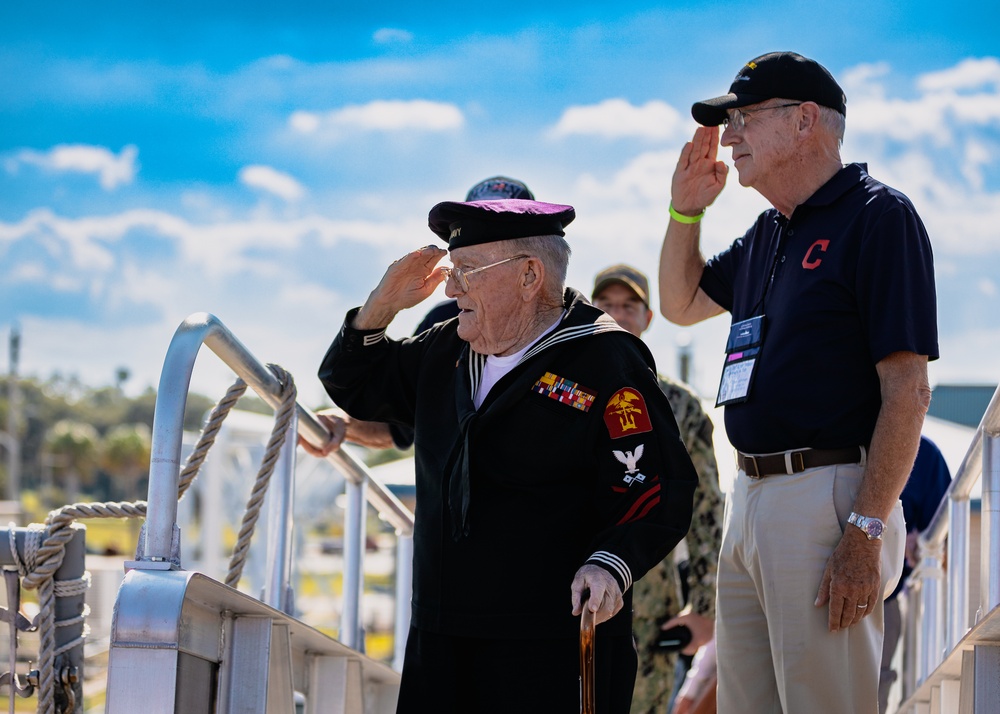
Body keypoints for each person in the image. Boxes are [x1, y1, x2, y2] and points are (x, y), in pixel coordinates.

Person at [316, 198, 698, 713]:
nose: (451, 289)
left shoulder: (606, 359)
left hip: (550, 646)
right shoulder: (446, 349)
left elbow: (656, 488)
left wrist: (612, 564)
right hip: (441, 637)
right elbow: (353, 382)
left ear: (529, 276)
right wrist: (382, 304)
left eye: (468, 272)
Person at [658, 51, 938, 713]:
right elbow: (680, 302)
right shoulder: (766, 233)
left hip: (829, 498)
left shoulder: (878, 217)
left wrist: (864, 534)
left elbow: (908, 391)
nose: (728, 139)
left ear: (805, 120)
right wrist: (685, 213)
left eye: (744, 119)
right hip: (751, 498)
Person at [301, 175, 535, 455]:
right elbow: (403, 419)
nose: (483, 235)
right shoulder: (443, 322)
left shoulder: (578, 330)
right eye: (474, 223)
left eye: (504, 226)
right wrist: (345, 423)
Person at [590, 264, 723, 714]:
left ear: (648, 319)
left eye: (629, 306)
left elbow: (706, 510)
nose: (617, 314)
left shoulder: (679, 405)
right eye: (606, 305)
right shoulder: (562, 390)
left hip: (645, 604)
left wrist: (703, 606)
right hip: (564, 595)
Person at [879, 435, 952, 712]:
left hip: (884, 602)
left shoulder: (925, 456)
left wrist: (922, 542)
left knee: (872, 695)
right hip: (813, 592)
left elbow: (945, 544)